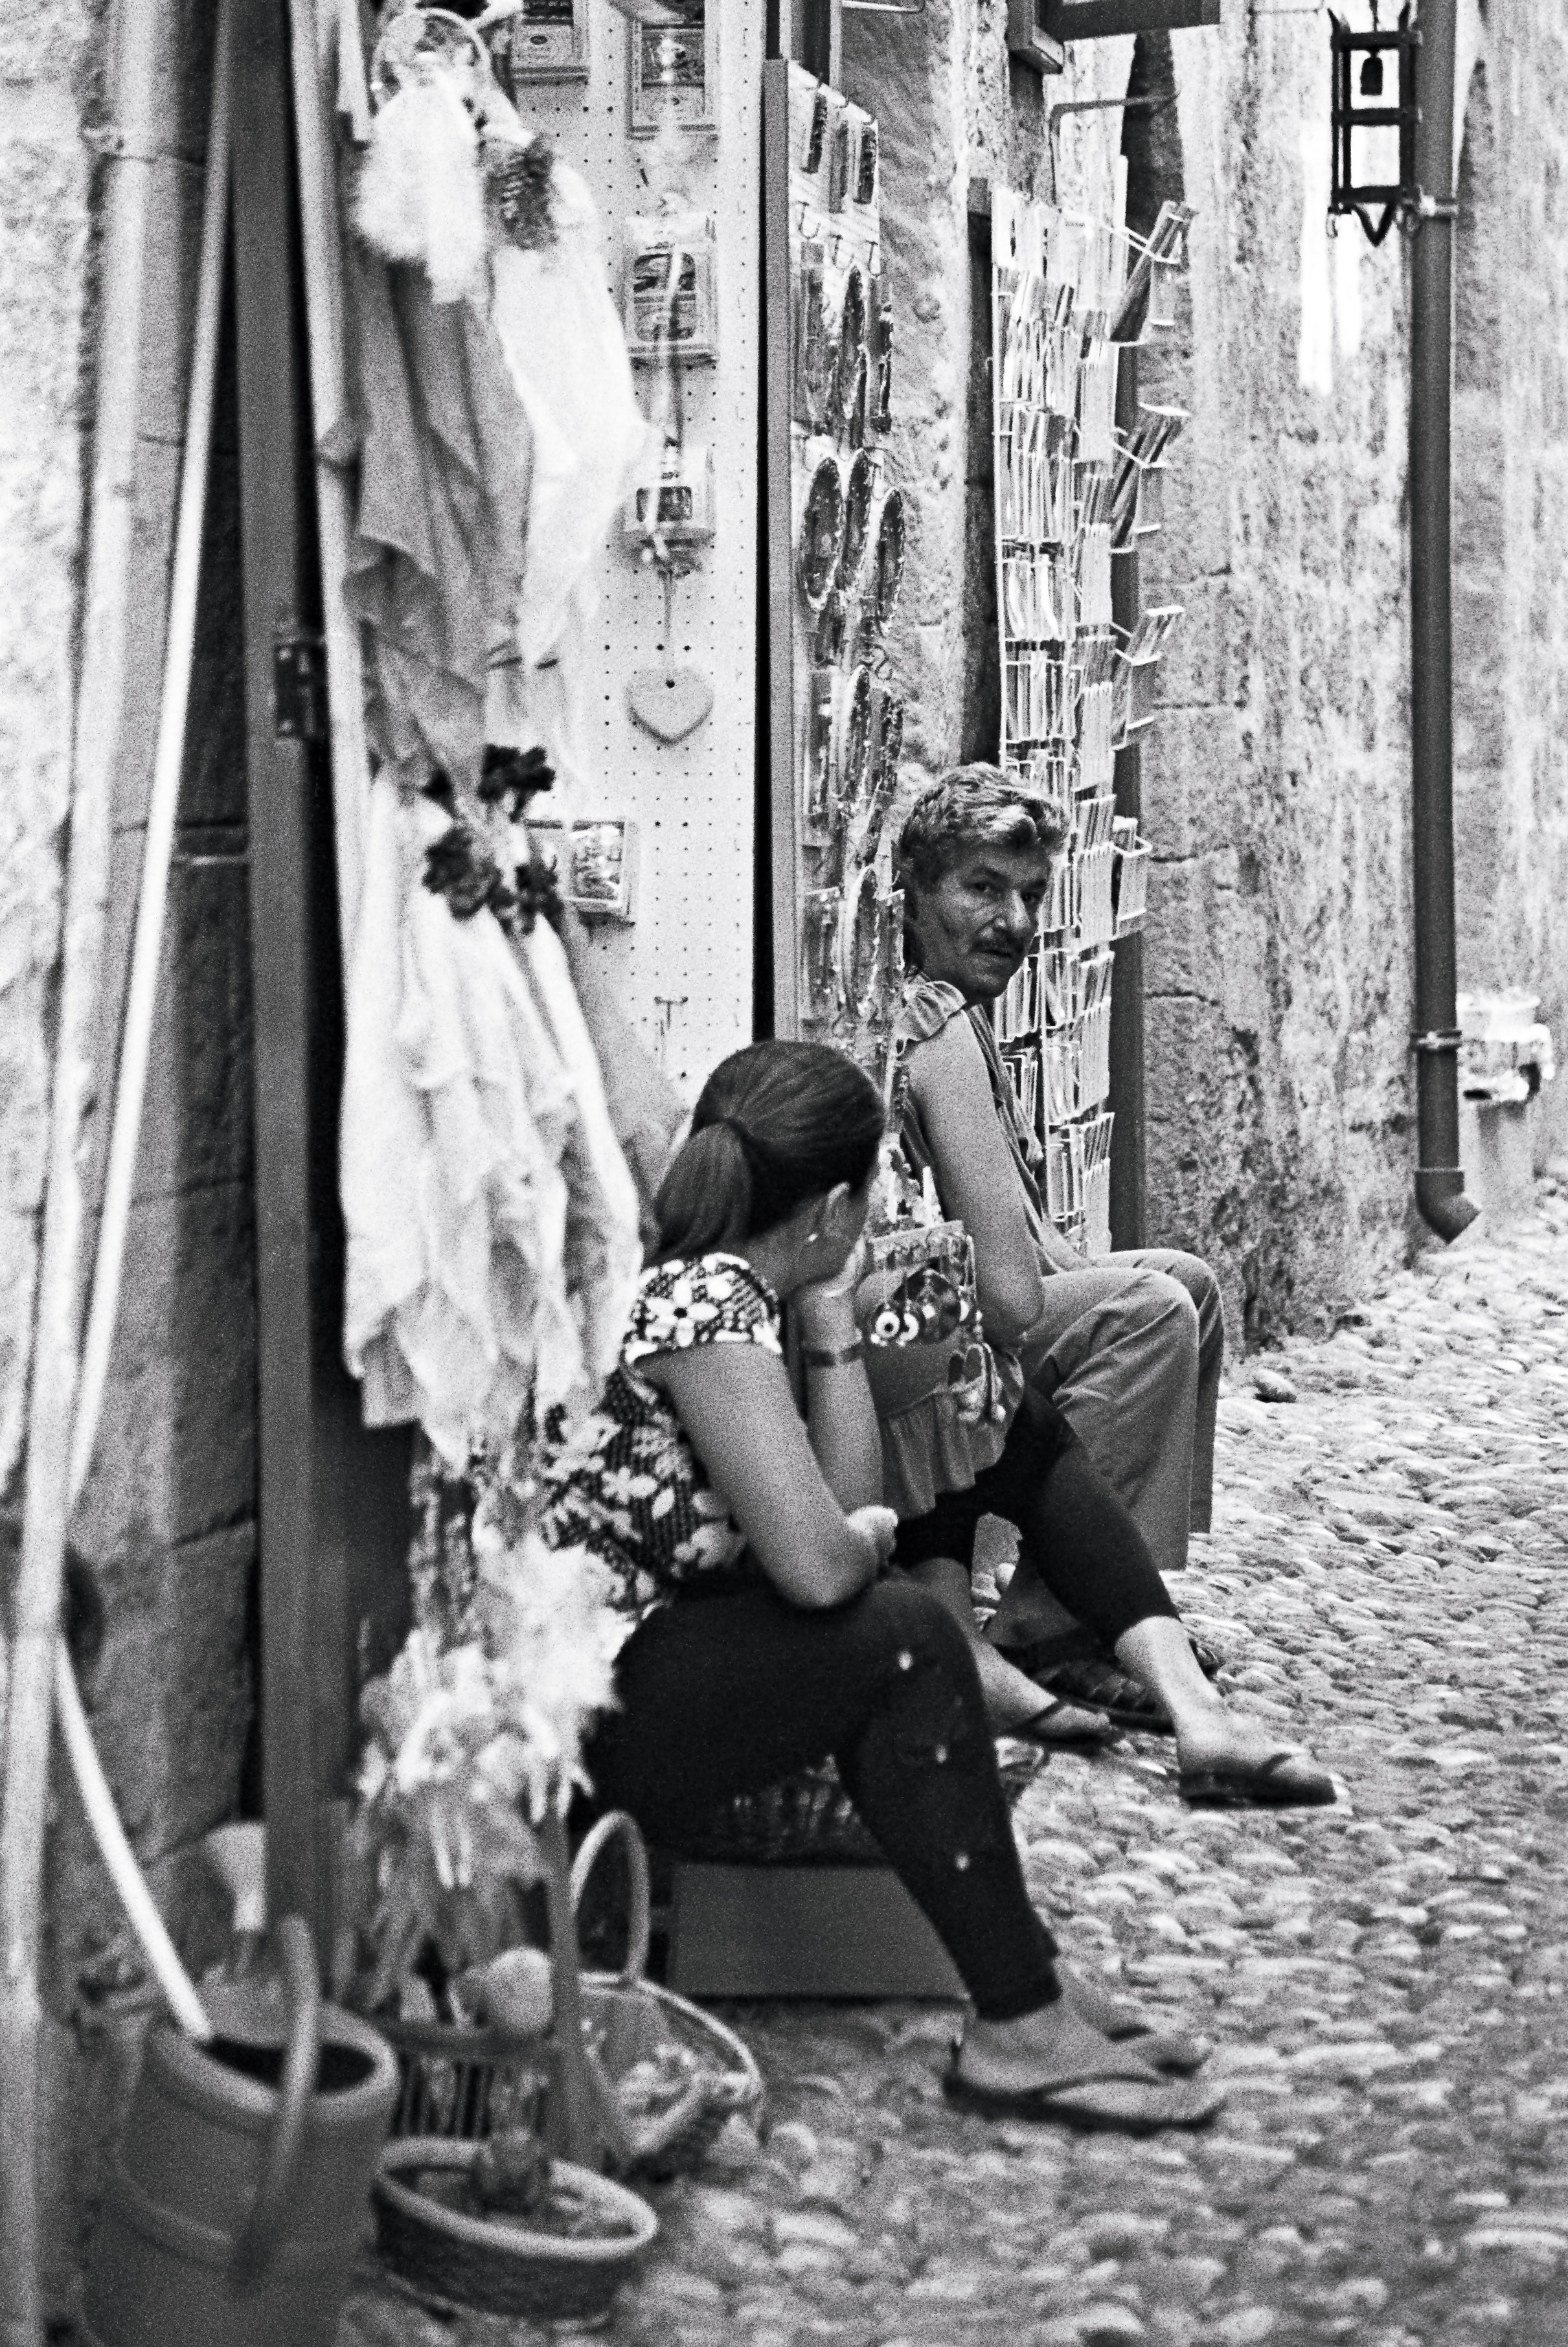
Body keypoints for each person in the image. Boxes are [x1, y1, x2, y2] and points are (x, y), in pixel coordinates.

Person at [538, 1039, 1223, 2128]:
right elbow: (820, 1565)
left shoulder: (738, 1293)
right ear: (836, 1206)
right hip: (584, 1721)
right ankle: (1016, 2011)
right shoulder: (703, 1302)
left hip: (642, 1672)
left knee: (895, 1621)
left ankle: (1022, 1981)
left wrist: (830, 1321)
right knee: (900, 1633)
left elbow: (848, 1508)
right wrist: (855, 1539)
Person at [888, 765, 1334, 1805]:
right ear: (913, 891)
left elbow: (1029, 1250)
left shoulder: (954, 1007)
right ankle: (1045, 1626)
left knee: (1185, 1281)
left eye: (1029, 895)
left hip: (967, 1304)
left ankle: (1091, 1603)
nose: (1013, 920)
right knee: (1147, 1311)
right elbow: (1008, 1291)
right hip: (931, 1335)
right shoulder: (931, 1025)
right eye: (982, 888)